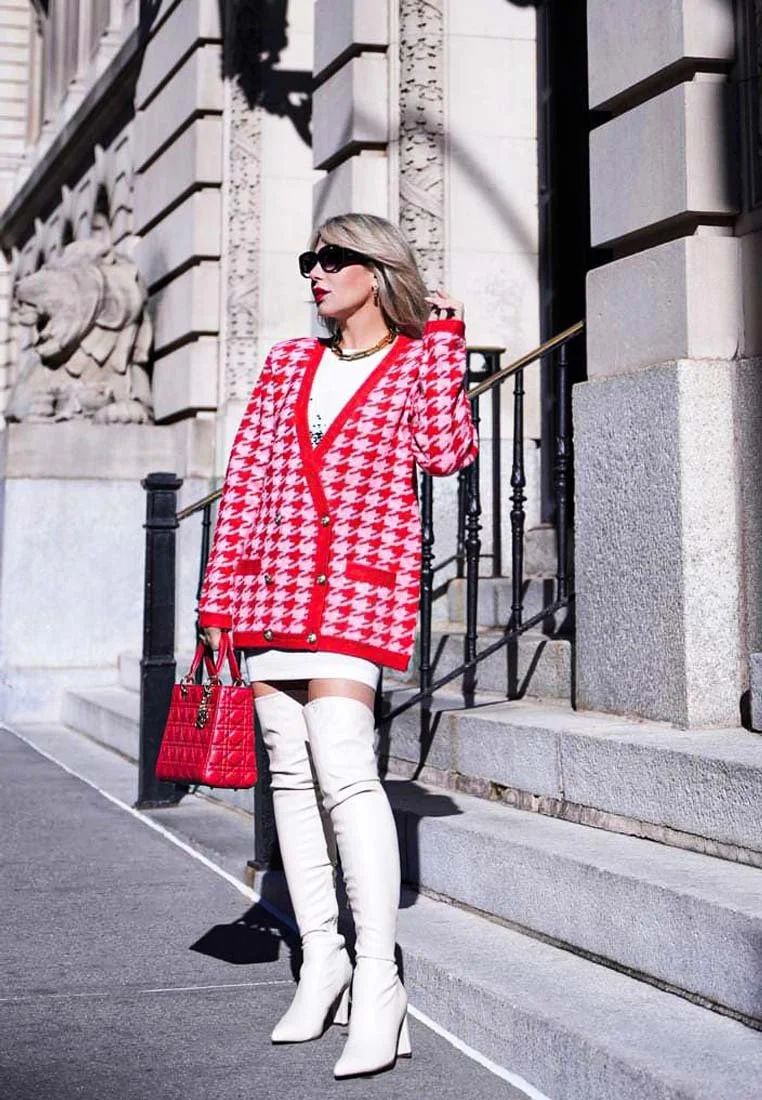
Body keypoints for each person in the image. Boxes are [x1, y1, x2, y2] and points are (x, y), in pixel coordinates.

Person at [198, 212, 477, 1078]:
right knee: (287, 767)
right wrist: (218, 599)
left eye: (333, 258)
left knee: (346, 769)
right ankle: (323, 958)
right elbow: (246, 483)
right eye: (310, 260)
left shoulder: (417, 357)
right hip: (272, 584)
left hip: (358, 587)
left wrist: (447, 344)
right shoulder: (289, 363)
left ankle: (380, 978)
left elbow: (446, 454)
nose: (316, 272)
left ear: (378, 271)